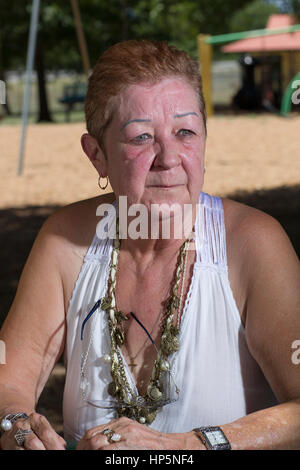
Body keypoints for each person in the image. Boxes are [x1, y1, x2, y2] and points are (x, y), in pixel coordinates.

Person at [0, 39, 300, 451]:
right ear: (97, 156)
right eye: (141, 137)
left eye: (185, 132)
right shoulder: (65, 241)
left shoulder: (251, 244)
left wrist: (187, 446)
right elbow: (8, 378)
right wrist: (17, 429)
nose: (169, 157)